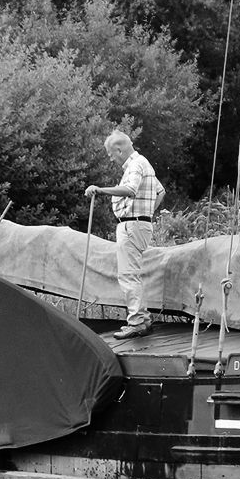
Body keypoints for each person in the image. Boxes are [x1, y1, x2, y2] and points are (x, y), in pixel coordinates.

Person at [84, 130, 165, 339]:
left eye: (111, 154)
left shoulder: (136, 165)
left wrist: (100, 190)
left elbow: (130, 189)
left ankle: (136, 321)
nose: (111, 158)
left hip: (131, 225)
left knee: (128, 275)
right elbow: (161, 191)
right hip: (139, 224)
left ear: (119, 149)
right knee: (133, 273)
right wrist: (147, 213)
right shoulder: (143, 163)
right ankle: (143, 318)